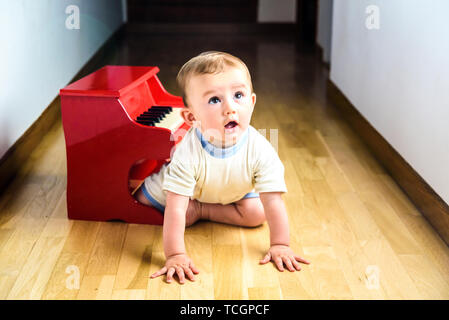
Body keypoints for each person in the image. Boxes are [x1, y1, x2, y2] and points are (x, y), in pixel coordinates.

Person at [134, 51, 310, 284]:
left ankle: (203, 211)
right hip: (192, 191)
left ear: (252, 102)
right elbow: (176, 208)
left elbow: (273, 201)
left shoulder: (261, 149)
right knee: (143, 203)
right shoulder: (188, 153)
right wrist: (175, 255)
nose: (230, 108)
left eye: (238, 95)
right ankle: (194, 208)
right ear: (191, 117)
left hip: (234, 191)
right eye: (215, 100)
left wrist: (280, 244)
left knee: (257, 213)